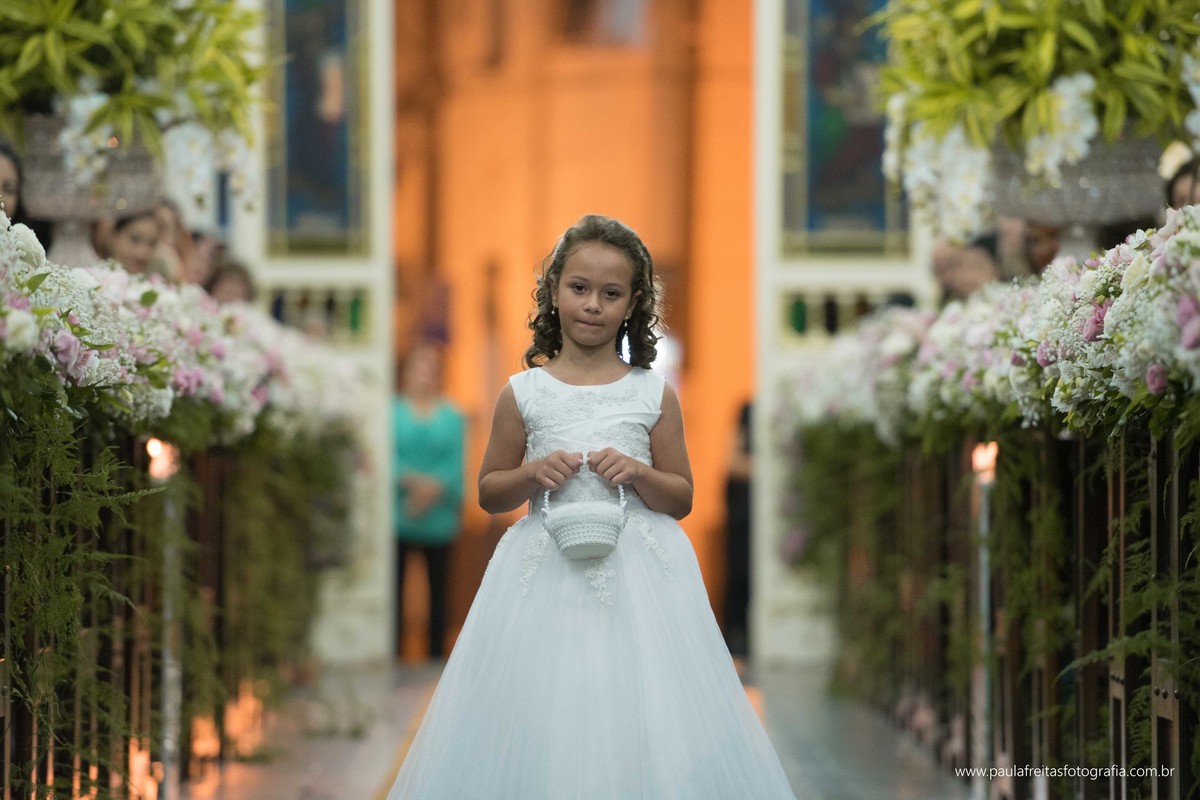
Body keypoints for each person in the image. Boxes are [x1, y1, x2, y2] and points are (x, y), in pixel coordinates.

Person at [386, 214, 795, 799]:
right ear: (553, 291)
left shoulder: (652, 392)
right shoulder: (522, 392)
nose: (593, 306)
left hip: (641, 578)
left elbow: (681, 496)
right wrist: (530, 473)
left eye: (612, 293)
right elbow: (488, 489)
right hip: (542, 571)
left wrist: (639, 472)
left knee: (633, 701)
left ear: (633, 304)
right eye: (579, 288)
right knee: (547, 701)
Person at [391, 344, 465, 660]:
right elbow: (385, 456)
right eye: (416, 369)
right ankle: (393, 652)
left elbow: (456, 462)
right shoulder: (389, 412)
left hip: (439, 514)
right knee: (392, 590)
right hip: (399, 511)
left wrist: (431, 489)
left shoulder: (453, 416)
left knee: (440, 592)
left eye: (429, 370)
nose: (422, 377)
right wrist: (413, 483)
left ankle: (436, 656)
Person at [723, 400, 754, 659]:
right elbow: (733, 465)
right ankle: (736, 640)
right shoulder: (748, 410)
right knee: (739, 576)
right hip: (744, 512)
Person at [105, 210, 163, 276]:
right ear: (114, 235)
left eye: (152, 244)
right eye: (135, 239)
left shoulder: (153, 283)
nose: (143, 253)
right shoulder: (92, 279)